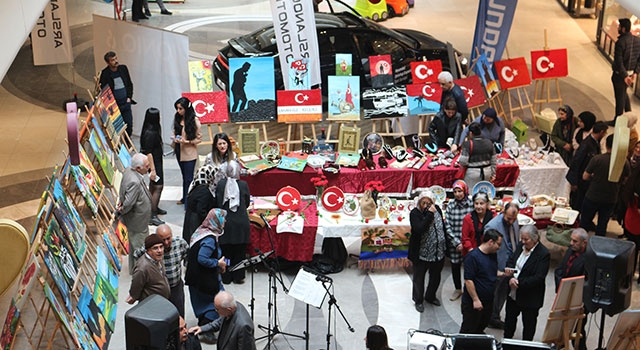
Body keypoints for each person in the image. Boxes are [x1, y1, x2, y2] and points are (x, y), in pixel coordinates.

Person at [185, 208, 228, 335]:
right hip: (204, 279)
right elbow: (202, 258)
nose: (225, 221)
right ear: (217, 221)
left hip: (196, 277)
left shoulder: (202, 231)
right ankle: (206, 329)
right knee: (214, 302)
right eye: (223, 218)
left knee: (203, 302)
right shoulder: (209, 239)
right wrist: (218, 263)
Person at [503, 225, 550, 341]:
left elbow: (538, 277)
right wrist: (510, 276)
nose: (523, 242)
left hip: (530, 298)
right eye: (522, 239)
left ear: (535, 239)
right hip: (513, 294)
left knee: (528, 325)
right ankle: (506, 343)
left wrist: (518, 282)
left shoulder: (543, 254)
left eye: (526, 239)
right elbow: (511, 261)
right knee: (509, 321)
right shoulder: (521, 246)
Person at [408, 190, 452, 311]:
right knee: (419, 278)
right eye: (424, 203)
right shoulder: (415, 213)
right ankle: (418, 300)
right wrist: (429, 214)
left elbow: (441, 227)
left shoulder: (437, 208)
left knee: (435, 277)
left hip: (438, 252)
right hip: (422, 254)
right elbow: (419, 229)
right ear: (419, 203)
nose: (426, 205)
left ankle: (430, 296)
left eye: (429, 203)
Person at [133, 224, 189, 317]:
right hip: (157, 291)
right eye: (163, 240)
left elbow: (188, 256)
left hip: (175, 288)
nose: (166, 242)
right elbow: (137, 255)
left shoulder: (180, 244)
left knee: (178, 316)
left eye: (168, 238)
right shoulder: (151, 248)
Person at [580, 134, 630, 236]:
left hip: (593, 196)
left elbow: (585, 176)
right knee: (602, 225)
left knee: (585, 223)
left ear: (606, 144)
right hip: (611, 198)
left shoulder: (597, 159)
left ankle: (581, 245)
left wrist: (594, 177)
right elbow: (625, 180)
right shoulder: (624, 162)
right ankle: (598, 246)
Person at [459, 229, 502, 334]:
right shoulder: (472, 257)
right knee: (468, 330)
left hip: (488, 301)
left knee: (481, 326)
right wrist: (476, 300)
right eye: (498, 244)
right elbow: (469, 280)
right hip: (473, 304)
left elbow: (490, 271)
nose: (499, 247)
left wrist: (503, 274)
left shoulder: (493, 254)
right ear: (491, 242)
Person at [484, 201, 520, 329]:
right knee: (495, 292)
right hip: (498, 265)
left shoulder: (515, 221)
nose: (511, 222)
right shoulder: (492, 226)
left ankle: (495, 315)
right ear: (503, 213)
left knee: (504, 292)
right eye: (509, 218)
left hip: (510, 265)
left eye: (514, 219)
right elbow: (488, 249)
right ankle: (490, 317)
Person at [215, 161, 251, 284]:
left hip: (226, 222)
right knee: (240, 252)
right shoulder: (243, 184)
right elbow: (246, 202)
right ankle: (238, 276)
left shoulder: (221, 184)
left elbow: (218, 203)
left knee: (227, 252)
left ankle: (227, 275)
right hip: (241, 222)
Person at [554, 228, 589, 350]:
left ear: (584, 243)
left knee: (577, 329)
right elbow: (561, 269)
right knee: (561, 326)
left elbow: (586, 282)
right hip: (564, 295)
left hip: (578, 301)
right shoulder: (570, 250)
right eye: (571, 240)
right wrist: (561, 285)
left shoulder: (589, 258)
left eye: (575, 241)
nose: (571, 243)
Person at [118, 153, 152, 275]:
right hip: (137, 221)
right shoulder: (134, 182)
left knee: (134, 244)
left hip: (138, 220)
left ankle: (134, 269)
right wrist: (121, 210)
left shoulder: (129, 171)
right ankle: (141, 273)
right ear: (138, 168)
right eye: (146, 166)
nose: (149, 168)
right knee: (140, 248)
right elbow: (128, 203)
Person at [189, 291, 256, 350]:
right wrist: (201, 329)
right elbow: (219, 322)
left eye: (217, 309)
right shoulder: (231, 306)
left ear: (228, 309)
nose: (215, 311)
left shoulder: (243, 326)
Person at [566, 121, 608, 212]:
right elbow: (576, 162)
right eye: (605, 132)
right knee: (577, 204)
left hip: (586, 180)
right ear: (601, 132)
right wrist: (574, 182)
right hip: (580, 180)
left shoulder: (594, 142)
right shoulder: (586, 145)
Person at [445, 180, 472, 301]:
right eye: (455, 191)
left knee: (470, 267)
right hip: (455, 244)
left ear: (465, 191)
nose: (457, 194)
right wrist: (456, 242)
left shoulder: (471, 204)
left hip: (469, 243)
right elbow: (448, 226)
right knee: (455, 266)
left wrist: (466, 243)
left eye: (460, 191)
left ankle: (469, 290)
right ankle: (457, 289)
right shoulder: (450, 205)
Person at [172, 97, 202, 208]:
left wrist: (187, 141)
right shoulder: (177, 118)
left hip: (189, 153)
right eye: (177, 108)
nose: (178, 111)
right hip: (179, 150)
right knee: (184, 176)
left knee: (189, 178)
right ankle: (185, 197)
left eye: (180, 108)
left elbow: (199, 139)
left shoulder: (194, 121)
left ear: (186, 108)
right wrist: (175, 138)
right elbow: (176, 131)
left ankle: (188, 202)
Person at [610, 18, 640, 126]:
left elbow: (619, 61)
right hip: (630, 73)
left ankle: (618, 120)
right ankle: (629, 113)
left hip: (620, 75)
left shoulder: (620, 42)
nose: (617, 28)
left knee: (619, 97)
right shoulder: (637, 40)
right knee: (623, 92)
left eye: (619, 27)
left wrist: (624, 76)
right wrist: (635, 73)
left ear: (623, 28)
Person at [126, 234, 170, 304]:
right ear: (148, 250)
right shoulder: (142, 268)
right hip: (150, 306)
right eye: (155, 248)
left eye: (161, 247)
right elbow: (135, 289)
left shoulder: (157, 258)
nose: (160, 250)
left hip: (162, 303)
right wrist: (133, 297)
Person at [140, 107, 166, 226]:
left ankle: (153, 207)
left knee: (154, 185)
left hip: (156, 160)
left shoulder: (152, 129)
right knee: (158, 186)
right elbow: (148, 152)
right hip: (154, 162)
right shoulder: (150, 133)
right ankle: (152, 214)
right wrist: (153, 169)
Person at [99, 51, 134, 135]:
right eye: (112, 60)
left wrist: (129, 98)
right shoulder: (105, 73)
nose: (115, 61)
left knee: (129, 124)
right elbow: (104, 90)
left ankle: (128, 142)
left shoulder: (123, 68)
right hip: (115, 106)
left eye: (116, 58)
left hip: (126, 103)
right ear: (108, 63)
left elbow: (129, 84)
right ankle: (119, 144)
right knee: (117, 127)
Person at [457, 122, 497, 190]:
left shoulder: (468, 144)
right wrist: (493, 174)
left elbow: (463, 162)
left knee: (472, 194)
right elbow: (493, 160)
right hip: (487, 172)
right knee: (485, 193)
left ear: (470, 133)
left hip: (472, 174)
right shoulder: (489, 142)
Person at [183, 164, 216, 243]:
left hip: (190, 219)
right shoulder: (204, 191)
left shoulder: (195, 186)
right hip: (196, 223)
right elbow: (201, 210)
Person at [461, 191, 495, 256]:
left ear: (487, 204)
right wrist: (473, 252)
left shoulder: (493, 218)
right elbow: (465, 238)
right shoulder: (468, 219)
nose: (479, 206)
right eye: (476, 203)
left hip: (489, 253)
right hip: (471, 253)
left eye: (481, 203)